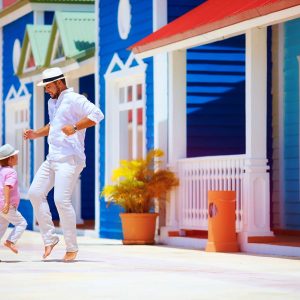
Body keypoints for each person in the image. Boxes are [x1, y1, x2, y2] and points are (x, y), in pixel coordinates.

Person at [24, 67, 104, 261]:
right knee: (34, 193)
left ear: (60, 83)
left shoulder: (74, 99)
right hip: (52, 157)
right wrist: (36, 133)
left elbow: (97, 114)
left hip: (70, 158)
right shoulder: (54, 102)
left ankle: (71, 247)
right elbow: (54, 125)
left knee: (61, 200)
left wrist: (76, 127)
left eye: (48, 86)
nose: (46, 90)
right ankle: (50, 238)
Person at [0, 144, 27, 254]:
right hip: (7, 206)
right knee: (21, 223)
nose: (17, 157)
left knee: (1, 227)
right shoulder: (11, 172)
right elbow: (7, 186)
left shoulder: (1, 171)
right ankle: (10, 241)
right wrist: (7, 203)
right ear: (10, 160)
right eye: (15, 156)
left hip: (1, 205)